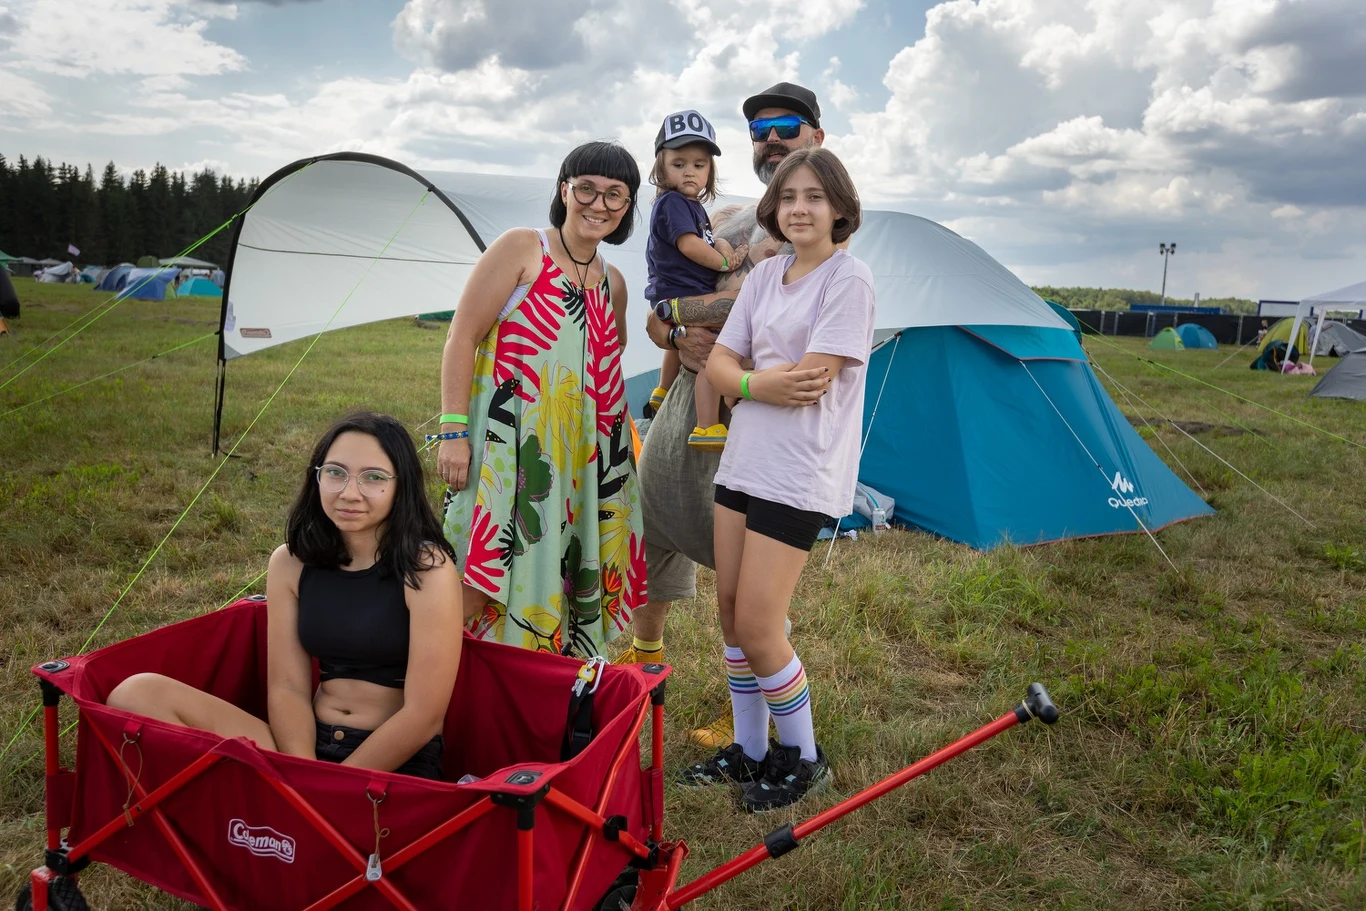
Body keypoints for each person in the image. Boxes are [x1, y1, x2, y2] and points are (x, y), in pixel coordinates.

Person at [617, 83, 828, 730]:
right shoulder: (725, 218)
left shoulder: (823, 225)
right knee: (651, 535)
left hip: (756, 415)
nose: (773, 139)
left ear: (817, 137)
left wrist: (682, 311)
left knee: (747, 584)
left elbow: (768, 304)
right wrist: (675, 331)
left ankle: (758, 722)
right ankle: (642, 672)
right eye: (761, 130)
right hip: (688, 401)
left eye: (787, 125)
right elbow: (656, 320)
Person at [676, 148, 874, 811]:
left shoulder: (849, 280)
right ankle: (750, 749)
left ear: (839, 207)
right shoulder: (763, 277)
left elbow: (811, 381)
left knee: (761, 625)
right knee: (731, 615)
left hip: (798, 470)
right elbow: (718, 364)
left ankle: (803, 757)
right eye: (788, 197)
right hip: (744, 461)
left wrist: (744, 380)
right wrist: (758, 382)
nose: (799, 208)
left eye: (815, 196)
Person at [107, 412, 462, 779]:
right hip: (303, 748)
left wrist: (331, 784)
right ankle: (272, 796)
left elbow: (423, 715)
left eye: (373, 477)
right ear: (317, 477)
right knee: (135, 694)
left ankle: (269, 799)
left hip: (392, 762)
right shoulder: (291, 563)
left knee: (312, 802)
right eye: (335, 473)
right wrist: (303, 770)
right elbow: (287, 686)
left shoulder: (427, 569)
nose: (349, 493)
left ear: (402, 486)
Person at [438, 141, 646, 658]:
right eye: (586, 189)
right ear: (564, 190)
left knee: (568, 570)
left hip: (579, 460)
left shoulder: (614, 283)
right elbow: (461, 337)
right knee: (476, 575)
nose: (598, 204)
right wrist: (453, 430)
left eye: (615, 195)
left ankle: (540, 677)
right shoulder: (522, 248)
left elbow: (608, 353)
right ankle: (425, 669)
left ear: (627, 207)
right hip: (510, 449)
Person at [643, 109, 748, 450]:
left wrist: (721, 246)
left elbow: (707, 238)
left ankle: (662, 390)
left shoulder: (692, 207)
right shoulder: (673, 203)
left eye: (699, 165)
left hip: (676, 291)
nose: (690, 171)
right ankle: (707, 426)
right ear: (661, 167)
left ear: (709, 171)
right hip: (682, 290)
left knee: (683, 341)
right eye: (679, 163)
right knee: (710, 355)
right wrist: (723, 262)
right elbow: (690, 245)